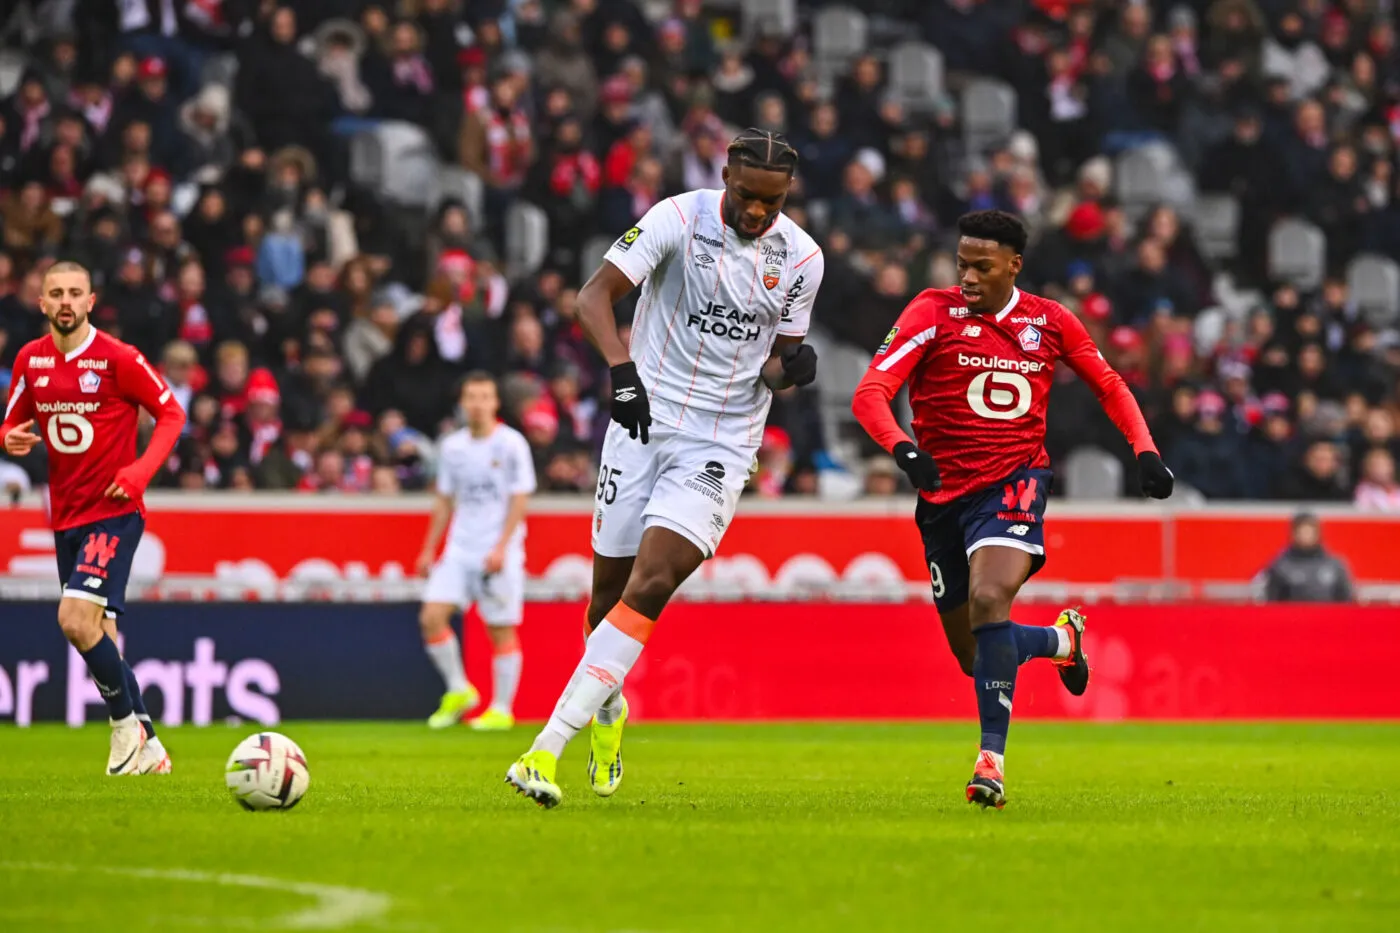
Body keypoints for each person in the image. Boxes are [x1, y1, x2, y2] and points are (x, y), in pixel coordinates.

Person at [505, 129, 825, 808]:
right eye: (747, 195)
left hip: (720, 442)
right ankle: (608, 708)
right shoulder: (677, 217)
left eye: (772, 202)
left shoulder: (802, 258)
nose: (758, 211)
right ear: (725, 177)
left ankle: (544, 749)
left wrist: (792, 370)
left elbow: (773, 367)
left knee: (651, 583)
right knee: (605, 600)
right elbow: (592, 297)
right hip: (641, 421)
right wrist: (621, 373)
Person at [850, 211, 1174, 810]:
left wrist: (1145, 450)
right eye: (962, 265)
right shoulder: (931, 311)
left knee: (989, 598)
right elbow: (870, 393)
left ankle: (990, 764)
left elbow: (1109, 385)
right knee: (974, 656)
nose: (968, 277)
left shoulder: (1050, 321)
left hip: (1014, 482)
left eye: (982, 266)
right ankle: (1060, 641)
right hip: (942, 496)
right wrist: (903, 449)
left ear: (1014, 265)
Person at [0, 261, 187, 775]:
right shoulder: (31, 359)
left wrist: (140, 472)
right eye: (56, 293)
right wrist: (8, 437)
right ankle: (151, 746)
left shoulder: (119, 358)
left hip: (114, 511)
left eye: (75, 293)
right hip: (66, 517)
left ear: (90, 301)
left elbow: (172, 414)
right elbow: (11, 421)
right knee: (99, 631)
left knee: (73, 620)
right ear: (42, 303)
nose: (66, 301)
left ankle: (124, 728)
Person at [416, 372, 537, 731]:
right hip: (459, 548)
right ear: (462, 403)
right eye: (471, 397)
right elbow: (444, 501)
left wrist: (502, 546)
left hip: (498, 550)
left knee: (500, 629)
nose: (478, 404)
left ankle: (501, 708)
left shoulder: (512, 444)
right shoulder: (452, 447)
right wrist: (428, 549)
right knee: (431, 617)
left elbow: (520, 498)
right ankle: (459, 689)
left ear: (495, 402)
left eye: (484, 396)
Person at [1259, 512, 1354, 603]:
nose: (1305, 536)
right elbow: (1271, 602)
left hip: (1328, 614)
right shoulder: (1280, 566)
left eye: (1309, 532)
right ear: (1293, 534)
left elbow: (1347, 601)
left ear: (1318, 533)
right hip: (1292, 615)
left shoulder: (1335, 566)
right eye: (1301, 532)